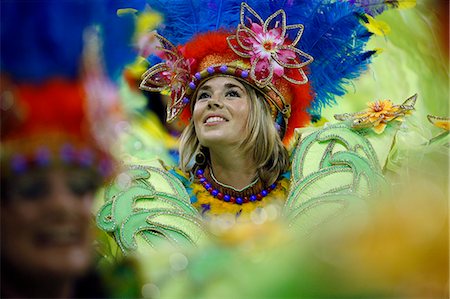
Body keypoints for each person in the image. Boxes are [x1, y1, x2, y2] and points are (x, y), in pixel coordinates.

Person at [96, 0, 412, 252]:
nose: (211, 102)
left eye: (232, 92)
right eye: (203, 94)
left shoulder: (323, 179)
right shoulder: (163, 197)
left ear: (271, 112)